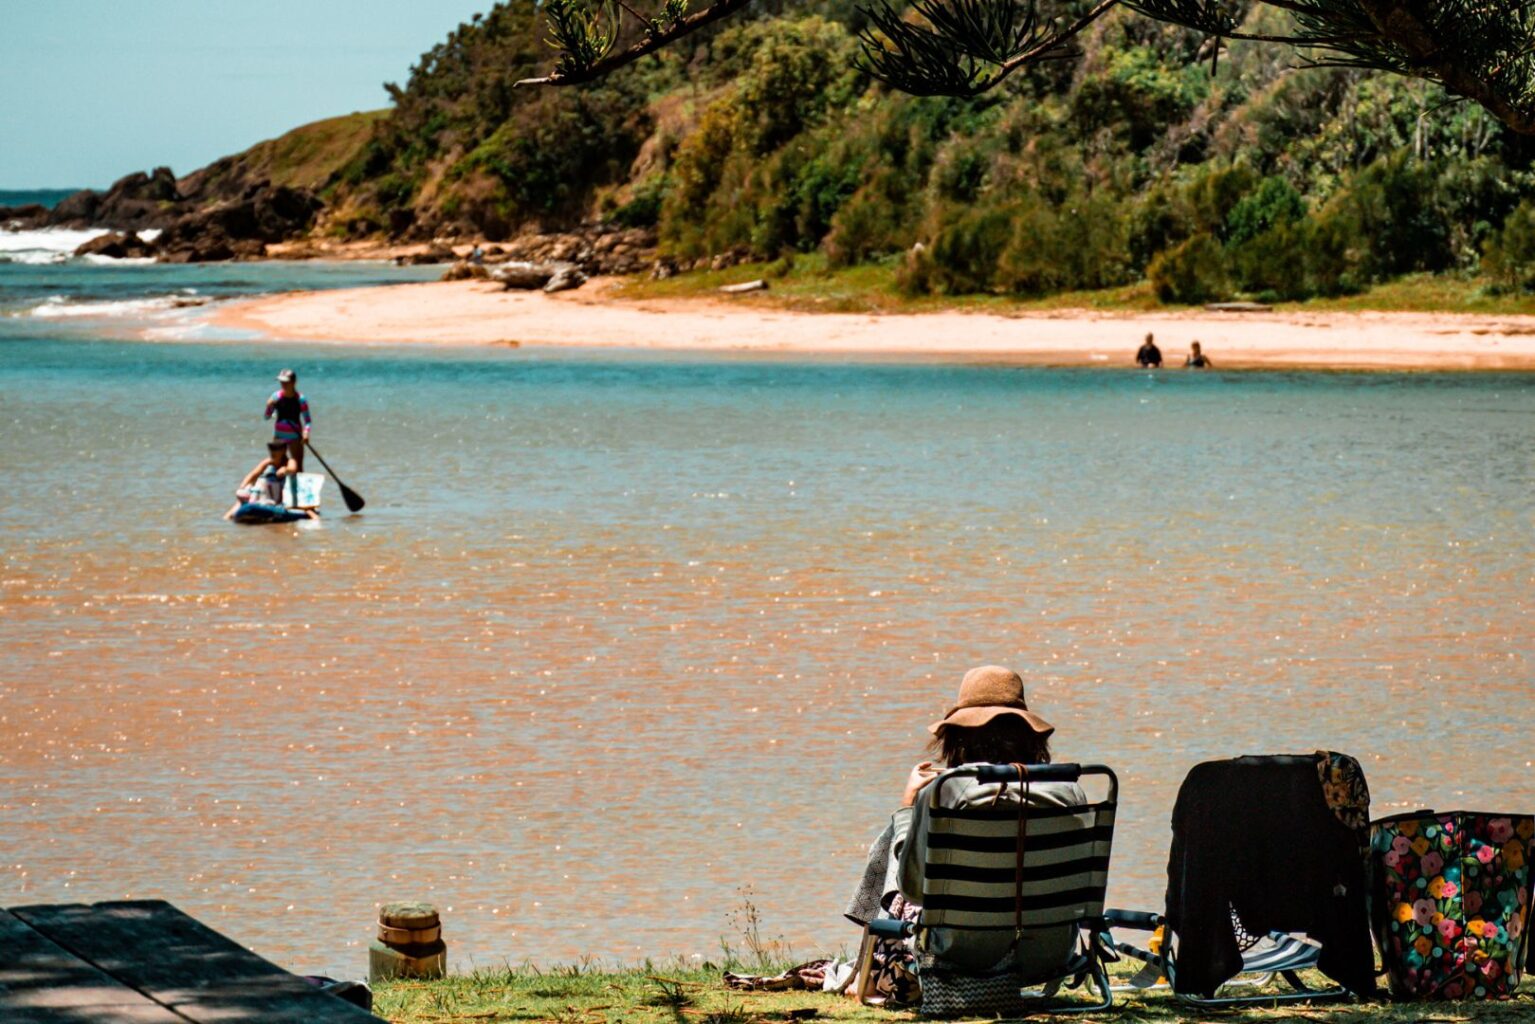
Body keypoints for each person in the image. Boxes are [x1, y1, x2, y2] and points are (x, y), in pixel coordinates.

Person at [890, 666, 1086, 974]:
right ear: (1028, 735)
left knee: (892, 841)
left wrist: (908, 806)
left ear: (958, 737)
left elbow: (912, 889)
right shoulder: (1068, 791)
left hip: (962, 955)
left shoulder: (943, 792)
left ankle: (872, 963)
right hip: (1050, 953)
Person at [224, 441, 317, 520]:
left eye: (275, 450)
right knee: (240, 501)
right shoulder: (268, 461)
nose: (272, 452)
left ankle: (315, 520)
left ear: (284, 451)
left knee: (307, 511)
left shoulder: (289, 461)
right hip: (267, 494)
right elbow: (253, 474)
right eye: (271, 450)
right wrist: (242, 487)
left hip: (284, 495)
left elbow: (293, 468)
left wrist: (285, 470)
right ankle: (226, 520)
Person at [264, 369, 312, 471]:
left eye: (286, 382)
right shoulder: (275, 396)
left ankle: (297, 484)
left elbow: (307, 421)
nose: (283, 384)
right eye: (281, 382)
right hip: (279, 436)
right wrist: (269, 406)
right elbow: (267, 417)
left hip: (295, 437)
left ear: (294, 382)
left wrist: (306, 433)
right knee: (278, 464)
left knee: (298, 466)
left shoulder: (301, 399)